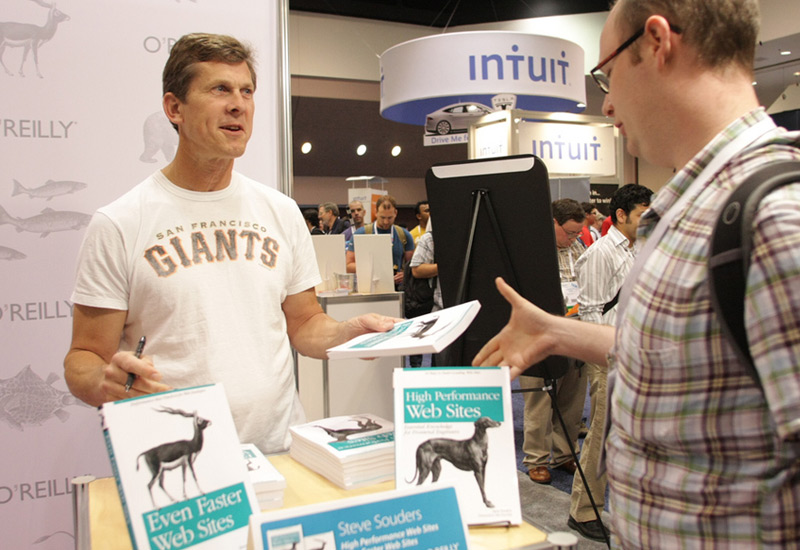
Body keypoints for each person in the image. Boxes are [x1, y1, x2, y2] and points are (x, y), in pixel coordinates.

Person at [474, 1, 800, 547]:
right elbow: (682, 360)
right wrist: (559, 331)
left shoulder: (773, 216)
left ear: (656, 42)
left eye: (607, 73)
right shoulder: (694, 205)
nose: (605, 102)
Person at [63, 33, 395, 455]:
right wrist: (103, 381)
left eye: (247, 91)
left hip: (279, 448)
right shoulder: (120, 223)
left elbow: (305, 323)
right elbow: (84, 357)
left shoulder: (280, 211)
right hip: (182, 458)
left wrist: (348, 334)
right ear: (174, 108)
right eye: (220, 89)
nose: (238, 104)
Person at [567, 184, 651, 543]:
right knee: (600, 433)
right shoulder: (602, 253)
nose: (649, 221)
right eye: (643, 214)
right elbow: (590, 311)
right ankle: (582, 510)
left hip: (635, 354)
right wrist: (607, 356)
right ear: (620, 215)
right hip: (607, 356)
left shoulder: (637, 247)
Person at [520, 198, 587, 485]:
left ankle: (564, 453)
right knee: (539, 397)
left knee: (572, 397)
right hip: (539, 332)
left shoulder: (579, 249)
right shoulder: (531, 251)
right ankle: (536, 458)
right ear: (553, 223)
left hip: (577, 329)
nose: (573, 238)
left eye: (577, 233)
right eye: (569, 232)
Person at [345, 195, 414, 289]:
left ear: (395, 213)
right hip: (368, 288)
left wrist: (405, 274)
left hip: (397, 290)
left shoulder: (404, 235)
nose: (386, 222)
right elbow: (348, 266)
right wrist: (375, 269)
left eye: (390, 218)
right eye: (382, 217)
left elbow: (412, 267)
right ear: (376, 212)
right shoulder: (361, 234)